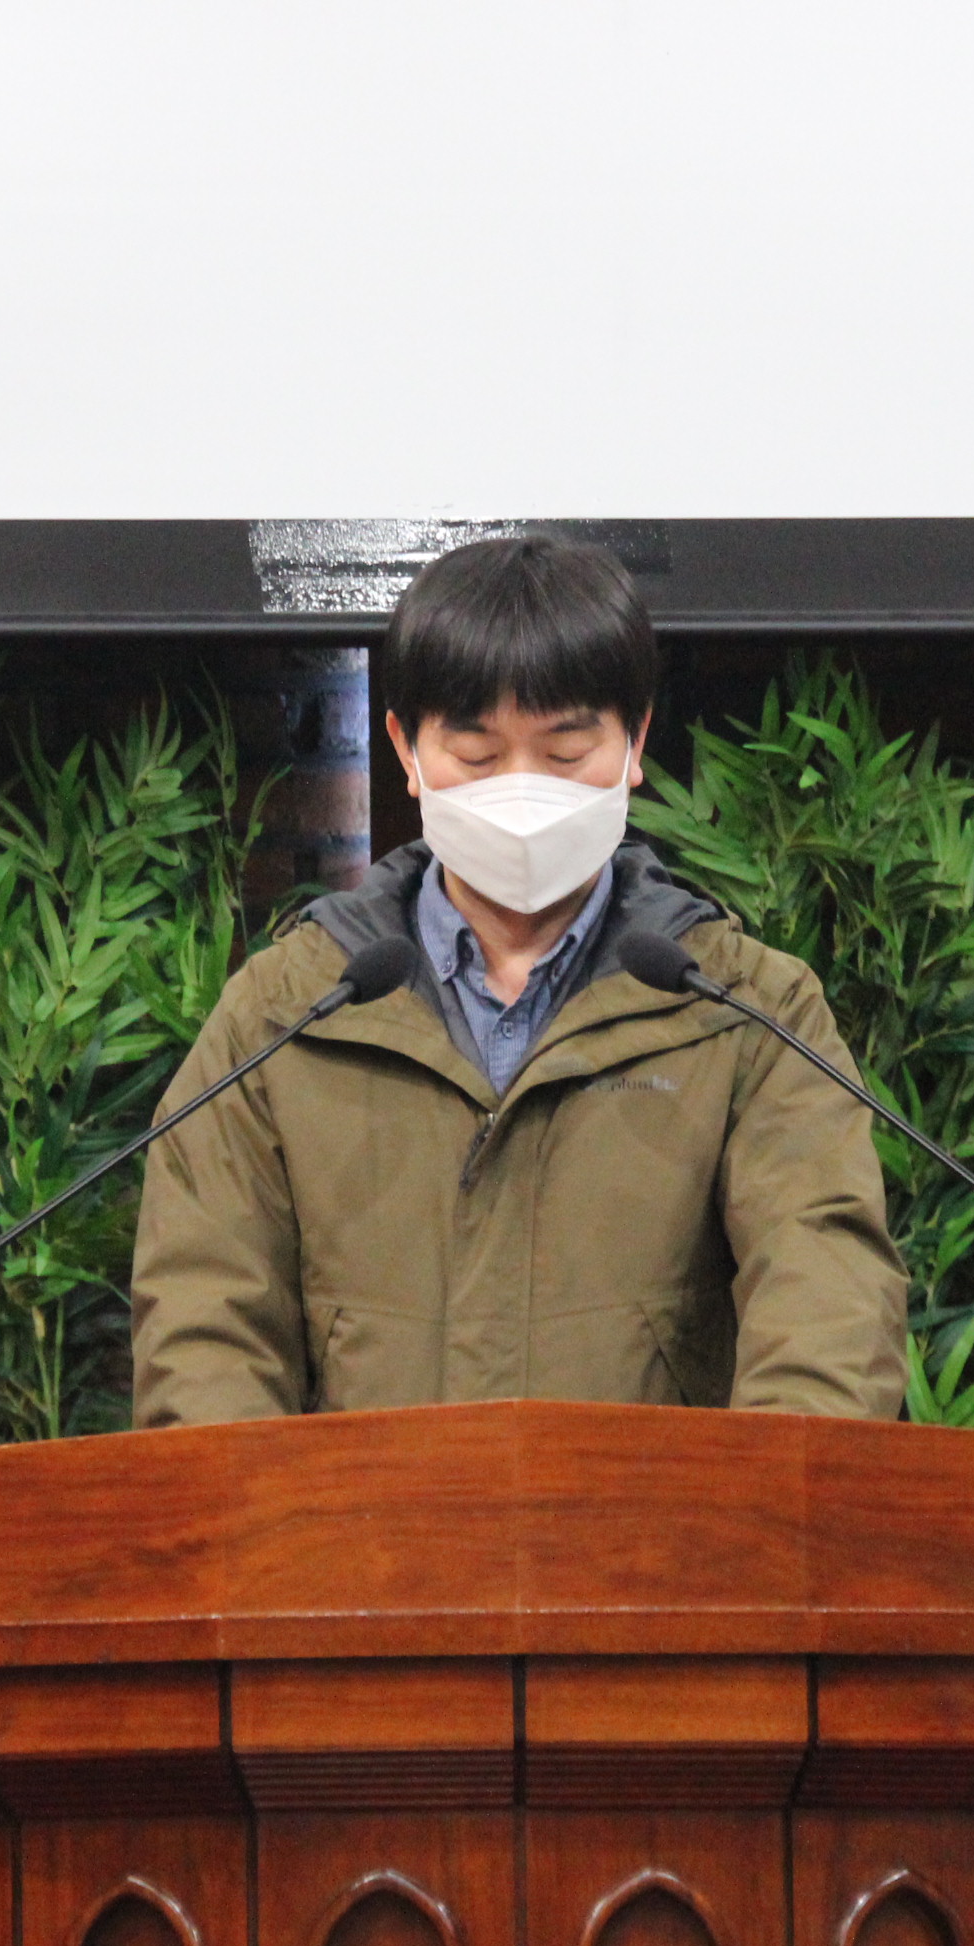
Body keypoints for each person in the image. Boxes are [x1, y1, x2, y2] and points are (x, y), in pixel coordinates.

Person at [129, 534, 906, 1423]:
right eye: (477, 755)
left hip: (661, 1518)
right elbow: (205, 1333)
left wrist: (751, 1506)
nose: (523, 793)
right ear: (406, 750)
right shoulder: (282, 1017)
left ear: (636, 741)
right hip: (355, 1519)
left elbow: (828, 1322)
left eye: (566, 754)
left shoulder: (746, 1011)